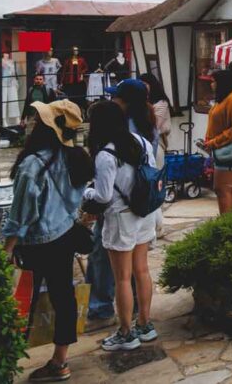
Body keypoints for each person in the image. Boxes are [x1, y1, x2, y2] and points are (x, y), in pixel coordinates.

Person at [2, 100, 92, 382]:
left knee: (22, 300)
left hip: (38, 243)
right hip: (64, 236)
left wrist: (7, 247)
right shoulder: (76, 158)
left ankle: (6, 361)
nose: (30, 122)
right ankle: (60, 360)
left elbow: (22, 214)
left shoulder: (32, 164)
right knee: (63, 296)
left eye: (36, 120)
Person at [83, 100, 158, 351]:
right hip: (144, 212)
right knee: (142, 271)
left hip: (121, 217)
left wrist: (87, 194)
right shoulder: (142, 142)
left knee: (122, 278)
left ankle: (126, 332)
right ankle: (145, 324)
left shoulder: (106, 154)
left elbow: (103, 196)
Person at [197, 67, 232, 215]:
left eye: (214, 81)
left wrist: (215, 141)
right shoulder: (223, 98)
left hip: (228, 151)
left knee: (226, 189)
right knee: (221, 188)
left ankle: (228, 224)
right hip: (219, 150)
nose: (211, 85)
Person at [139, 73, 172, 166]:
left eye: (145, 84)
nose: (143, 87)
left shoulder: (161, 103)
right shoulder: (142, 102)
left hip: (157, 143)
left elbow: (155, 125)